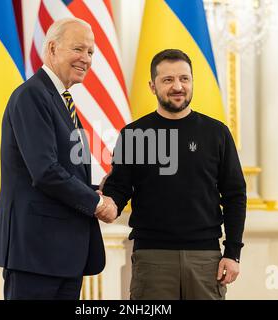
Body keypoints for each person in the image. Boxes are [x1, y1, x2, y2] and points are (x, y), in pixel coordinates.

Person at [0, 18, 117, 300]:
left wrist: (99, 188)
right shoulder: (32, 96)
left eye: (91, 52)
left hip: (63, 254)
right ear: (52, 49)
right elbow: (46, 171)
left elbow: (67, 168)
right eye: (78, 49)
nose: (86, 59)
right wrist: (97, 203)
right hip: (36, 253)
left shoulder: (60, 100)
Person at [102, 49, 246, 300]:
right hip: (152, 258)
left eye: (184, 78)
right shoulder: (133, 135)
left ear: (192, 81)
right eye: (168, 80)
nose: (178, 86)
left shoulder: (217, 133)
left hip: (206, 259)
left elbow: (235, 196)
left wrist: (232, 253)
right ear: (152, 86)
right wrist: (104, 203)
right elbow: (119, 189)